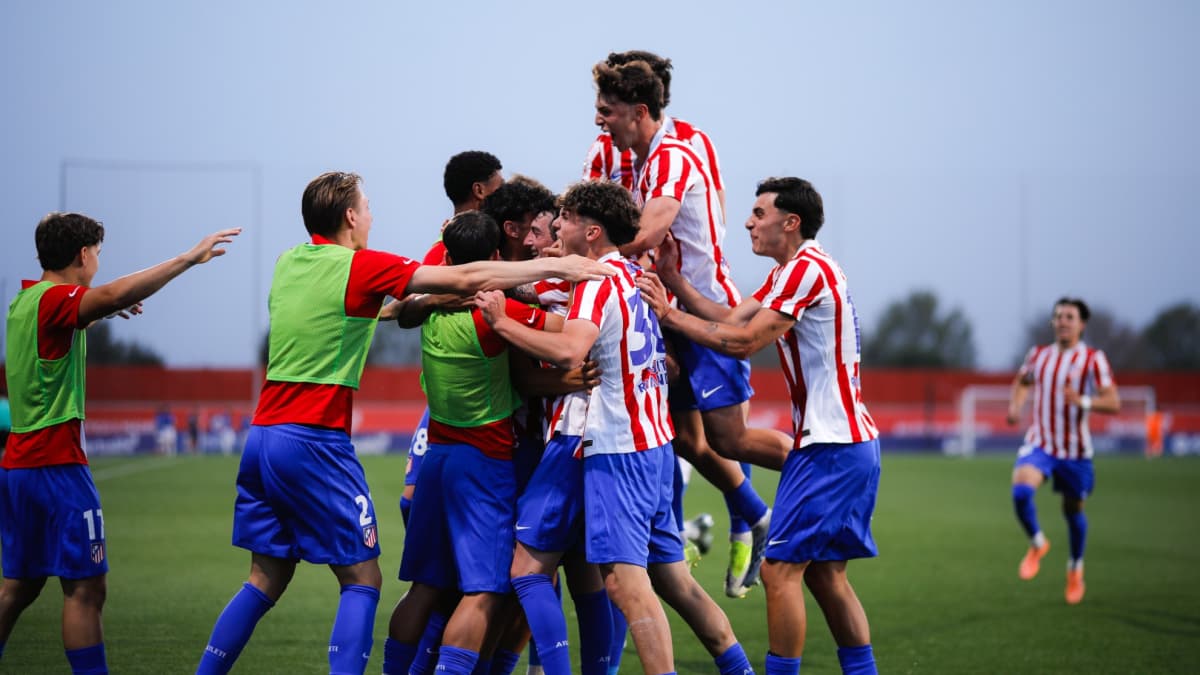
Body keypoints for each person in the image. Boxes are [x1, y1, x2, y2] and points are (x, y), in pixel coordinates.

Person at [196, 172, 612, 675]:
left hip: (265, 434)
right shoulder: (365, 267)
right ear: (350, 216)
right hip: (325, 439)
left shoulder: (289, 261)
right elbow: (481, 291)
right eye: (368, 206)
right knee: (370, 582)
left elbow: (413, 305)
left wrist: (437, 299)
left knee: (265, 579)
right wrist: (560, 267)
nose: (373, 216)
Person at [477, 180, 755, 675]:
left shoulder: (596, 281)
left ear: (592, 231)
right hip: (654, 445)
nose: (557, 225)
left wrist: (501, 323)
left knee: (624, 585)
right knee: (674, 582)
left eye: (566, 218)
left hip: (615, 448)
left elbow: (569, 350)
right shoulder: (632, 275)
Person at [638, 177, 880, 674]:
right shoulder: (795, 270)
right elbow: (731, 317)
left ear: (791, 222)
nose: (748, 222)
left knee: (778, 572)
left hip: (830, 446)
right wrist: (676, 284)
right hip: (848, 444)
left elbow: (744, 342)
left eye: (759, 213)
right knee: (826, 577)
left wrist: (669, 317)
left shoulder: (806, 269)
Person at [0, 211, 239, 674]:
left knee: (19, 587)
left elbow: (75, 320)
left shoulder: (25, 303)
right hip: (57, 468)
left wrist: (100, 311)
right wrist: (187, 259)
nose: (98, 262)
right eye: (98, 253)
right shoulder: (56, 301)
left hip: (18, 468)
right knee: (86, 589)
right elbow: (110, 294)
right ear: (82, 255)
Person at [592, 57, 786, 598]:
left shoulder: (674, 154)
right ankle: (743, 518)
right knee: (682, 438)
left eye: (608, 110)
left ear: (640, 110)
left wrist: (584, 255)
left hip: (706, 309)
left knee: (729, 438)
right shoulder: (644, 157)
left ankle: (808, 477)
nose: (599, 120)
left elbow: (648, 232)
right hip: (666, 309)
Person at [1006, 297, 1120, 605]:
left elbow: (1113, 401)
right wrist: (1016, 406)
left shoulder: (1093, 359)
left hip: (1075, 451)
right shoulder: (1039, 355)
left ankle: (1075, 568)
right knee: (1020, 492)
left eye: (1069, 317)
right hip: (1041, 442)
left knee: (1073, 512)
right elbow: (1023, 381)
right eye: (1058, 316)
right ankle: (1037, 543)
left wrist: (1083, 401)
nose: (1062, 321)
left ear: (1082, 324)